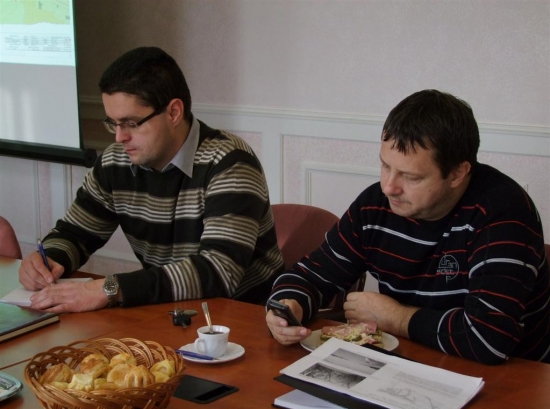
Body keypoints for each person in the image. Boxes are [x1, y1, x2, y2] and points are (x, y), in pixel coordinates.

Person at [266, 89, 550, 365]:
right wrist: (288, 307)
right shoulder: (375, 206)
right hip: (410, 365)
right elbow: (311, 275)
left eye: (410, 177)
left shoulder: (504, 213)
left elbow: (488, 338)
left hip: (514, 379)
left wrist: (395, 317)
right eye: (385, 166)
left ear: (457, 173)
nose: (389, 187)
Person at [19, 46, 284, 313]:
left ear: (173, 112)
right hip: (169, 312)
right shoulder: (116, 162)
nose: (119, 137)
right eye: (113, 123)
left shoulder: (230, 162)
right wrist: (48, 261)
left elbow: (218, 271)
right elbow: (75, 234)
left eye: (131, 123)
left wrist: (110, 288)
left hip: (244, 318)